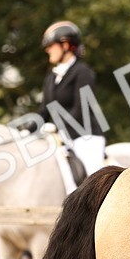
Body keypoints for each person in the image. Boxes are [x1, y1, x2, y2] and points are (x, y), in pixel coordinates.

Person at [39, 20, 106, 191]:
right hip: (62, 138)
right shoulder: (51, 78)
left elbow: (81, 107)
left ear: (66, 45)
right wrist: (26, 130)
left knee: (92, 186)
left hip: (85, 137)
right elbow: (44, 110)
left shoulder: (83, 72)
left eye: (51, 45)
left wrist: (56, 127)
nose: (47, 49)